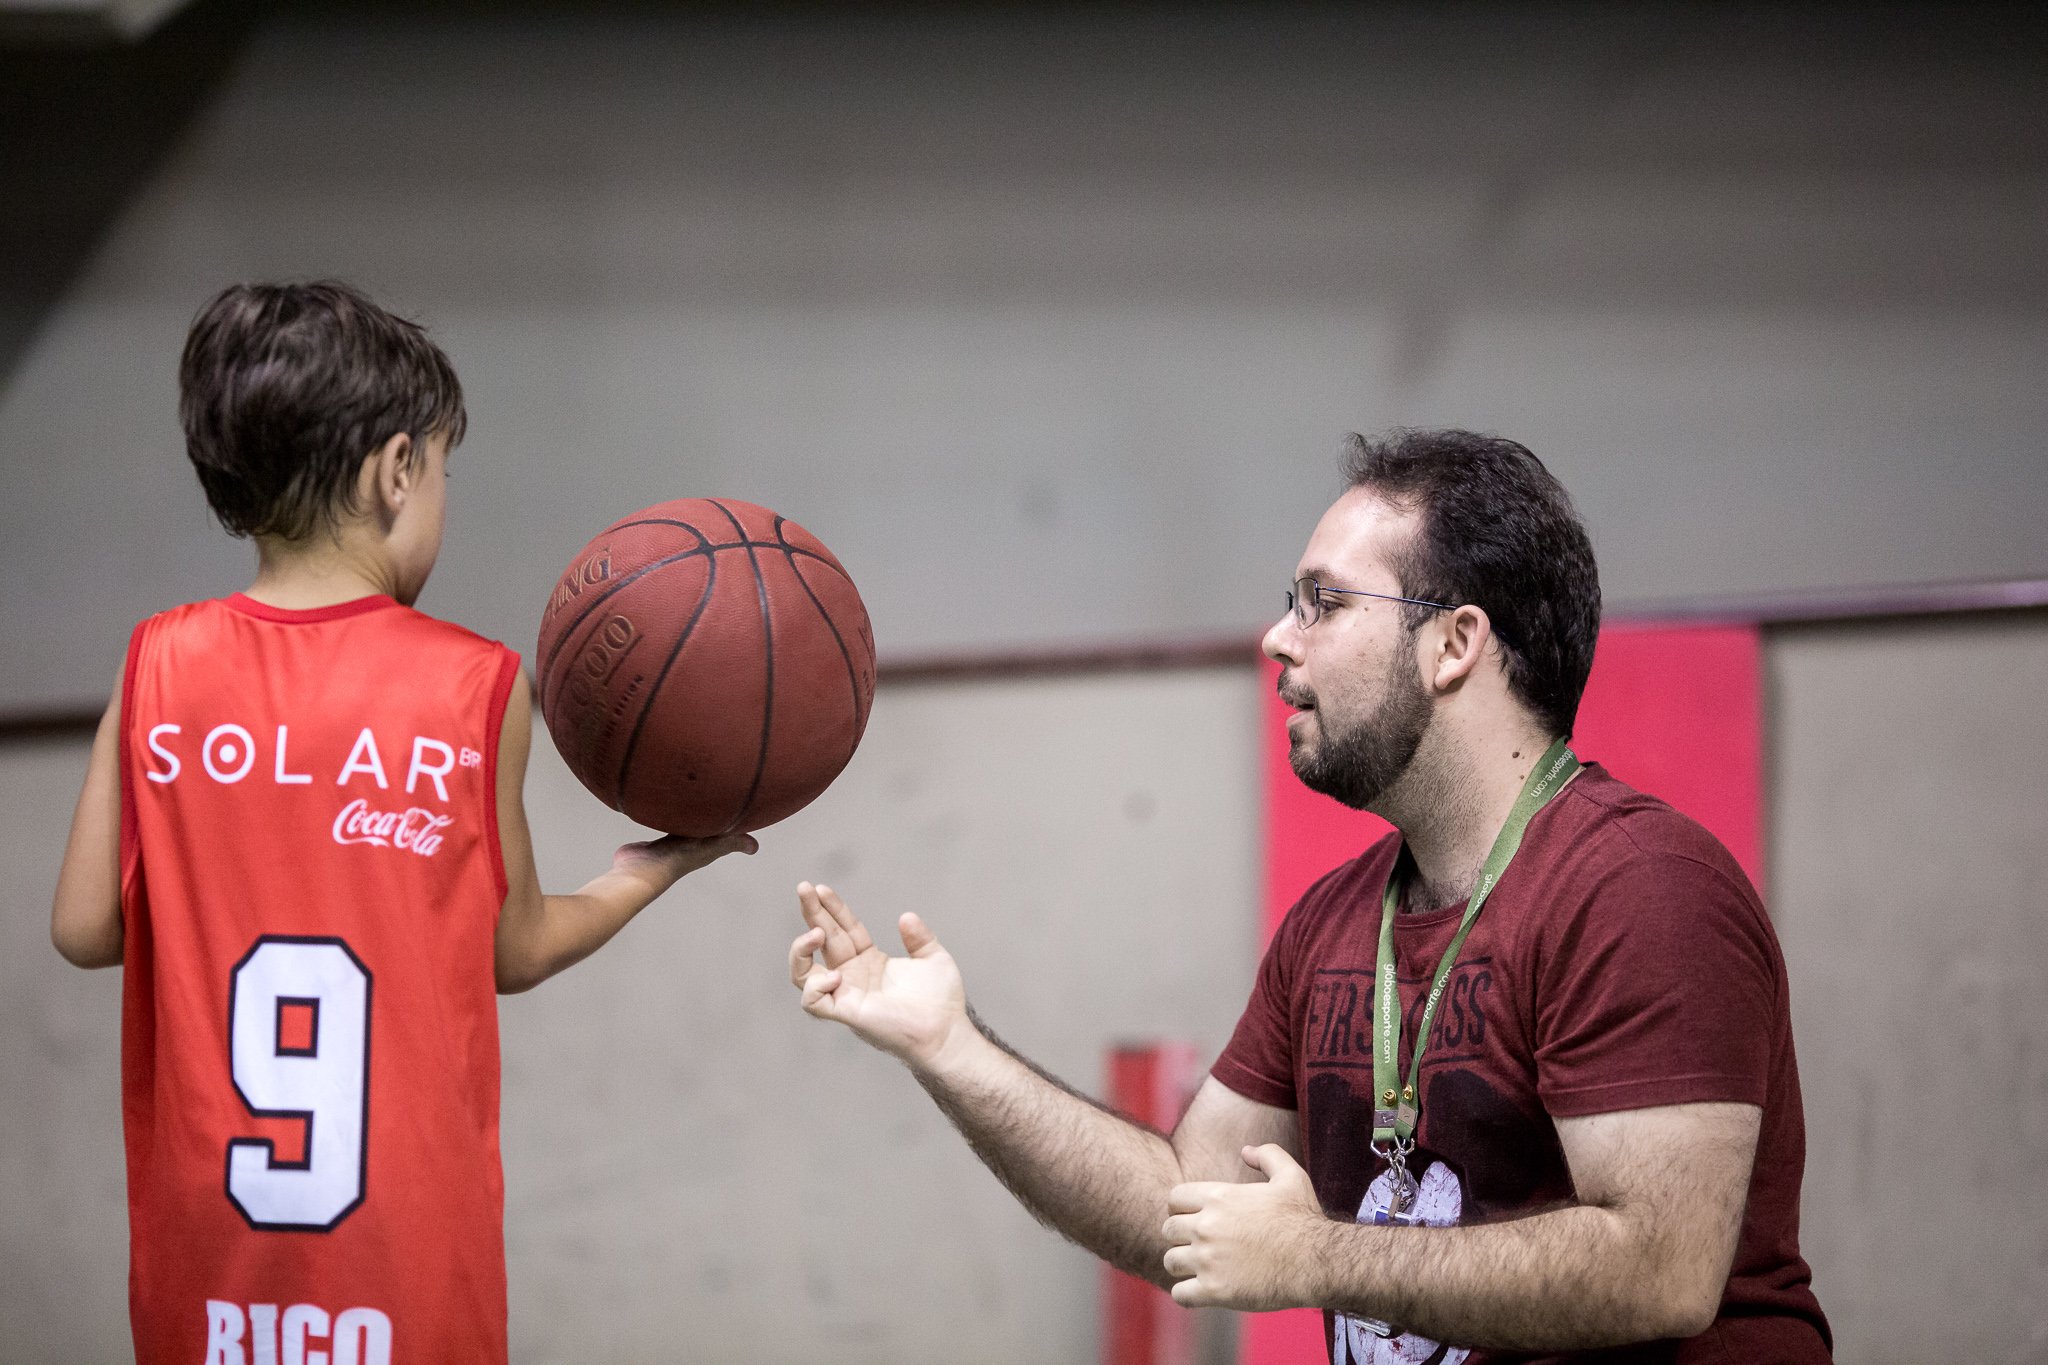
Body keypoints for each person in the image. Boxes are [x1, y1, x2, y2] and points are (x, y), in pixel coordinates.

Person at [788, 429, 1830, 1363]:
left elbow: (1659, 1270)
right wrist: (950, 1047)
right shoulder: (1334, 925)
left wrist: (1317, 1257)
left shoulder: (1639, 889)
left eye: (1321, 603)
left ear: (1453, 645)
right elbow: (1182, 1211)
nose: (1276, 640)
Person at [50, 281, 754, 1365]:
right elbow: (511, 952)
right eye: (441, 470)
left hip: (211, 1272)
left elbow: (87, 931)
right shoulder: (473, 687)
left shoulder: (158, 662)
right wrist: (645, 873)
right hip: (404, 1271)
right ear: (393, 471)